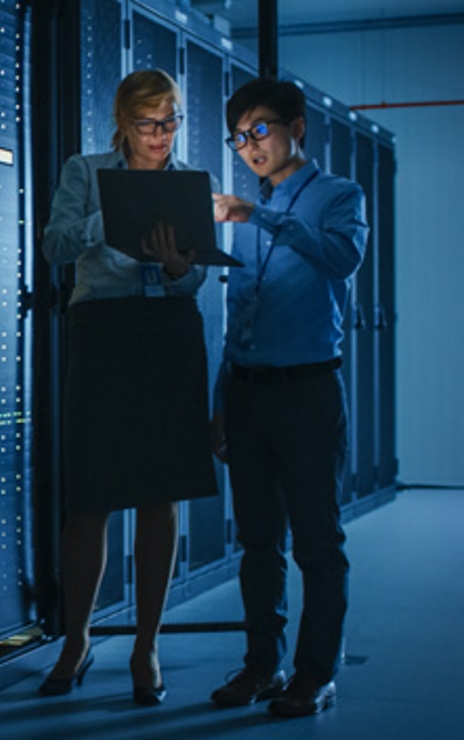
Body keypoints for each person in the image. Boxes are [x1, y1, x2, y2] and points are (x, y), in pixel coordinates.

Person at [39, 69, 219, 706]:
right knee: (90, 496)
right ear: (122, 123)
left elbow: (196, 279)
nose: (161, 135)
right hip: (104, 333)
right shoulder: (85, 171)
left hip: (167, 331)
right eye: (149, 124)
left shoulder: (193, 183)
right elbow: (54, 246)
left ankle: (147, 645)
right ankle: (76, 639)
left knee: (159, 494)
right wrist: (108, 218)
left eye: (170, 122)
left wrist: (176, 268)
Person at [209, 77, 367, 717]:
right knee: (257, 544)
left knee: (317, 544)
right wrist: (221, 398)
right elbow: (240, 313)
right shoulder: (244, 214)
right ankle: (261, 666)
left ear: (297, 127)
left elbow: (342, 258)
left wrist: (261, 216)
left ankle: (315, 674)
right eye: (239, 137)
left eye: (260, 130)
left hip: (308, 392)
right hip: (248, 395)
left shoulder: (339, 195)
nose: (250, 146)